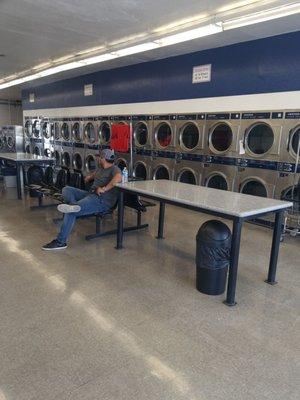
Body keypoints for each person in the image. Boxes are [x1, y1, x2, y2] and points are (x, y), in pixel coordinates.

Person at [42, 149, 122, 250]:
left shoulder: (114, 169)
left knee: (70, 212)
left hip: (101, 200)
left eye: (99, 157)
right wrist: (89, 177)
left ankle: (60, 242)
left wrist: (104, 188)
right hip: (90, 194)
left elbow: (118, 178)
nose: (97, 159)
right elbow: (95, 174)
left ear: (103, 159)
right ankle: (76, 206)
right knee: (67, 190)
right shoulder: (101, 168)